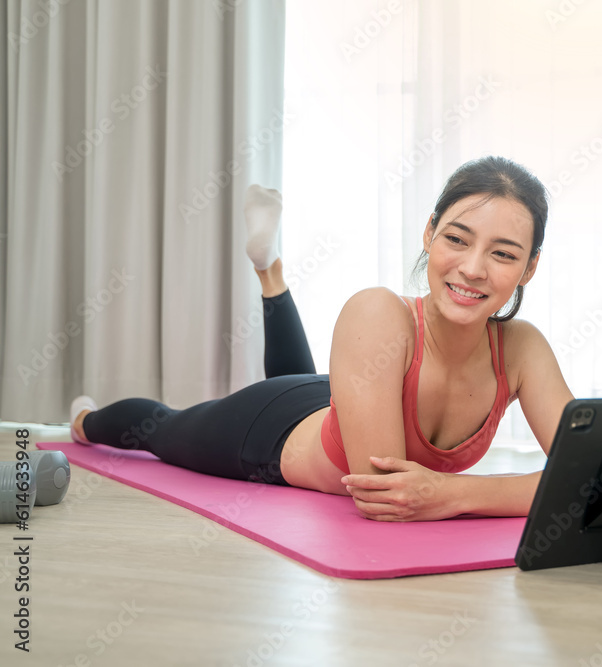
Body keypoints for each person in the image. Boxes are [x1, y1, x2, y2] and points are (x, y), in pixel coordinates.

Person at [69, 156, 575, 522]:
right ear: (429, 233)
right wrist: (515, 492)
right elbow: (382, 496)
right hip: (267, 432)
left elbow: (588, 476)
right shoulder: (377, 312)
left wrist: (449, 493)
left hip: (346, 395)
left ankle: (269, 272)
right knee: (163, 428)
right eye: (457, 239)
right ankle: (83, 422)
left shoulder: (522, 347)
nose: (471, 268)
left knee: (300, 374)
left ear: (530, 267)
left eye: (503, 254)